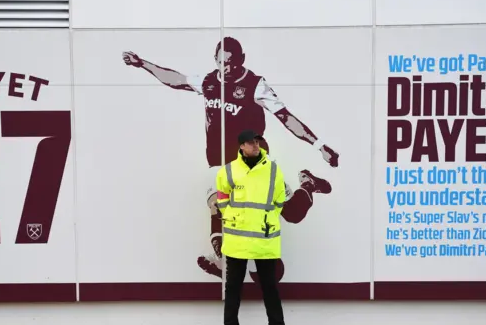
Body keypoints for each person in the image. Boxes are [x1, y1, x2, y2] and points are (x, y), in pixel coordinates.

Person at [122, 37, 339, 281]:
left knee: (293, 214)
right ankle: (222, 259)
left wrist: (319, 145)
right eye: (221, 63)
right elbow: (175, 79)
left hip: (253, 163)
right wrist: (143, 64)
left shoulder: (256, 86)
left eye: (231, 64)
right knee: (216, 203)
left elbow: (286, 117)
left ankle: (308, 183)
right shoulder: (208, 81)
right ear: (215, 60)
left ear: (241, 60)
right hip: (220, 164)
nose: (225, 69)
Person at [212, 129, 293, 325]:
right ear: (241, 147)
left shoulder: (273, 170)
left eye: (257, 141)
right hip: (237, 239)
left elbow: (279, 201)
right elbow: (221, 198)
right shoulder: (227, 171)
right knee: (232, 288)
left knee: (269, 287)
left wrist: (265, 219)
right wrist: (231, 216)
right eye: (250, 142)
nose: (255, 145)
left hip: (264, 238)